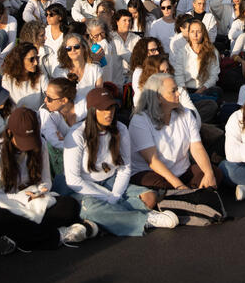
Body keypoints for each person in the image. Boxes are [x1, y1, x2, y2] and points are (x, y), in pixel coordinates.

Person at [63, 87, 179, 235]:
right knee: (91, 208)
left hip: (110, 181)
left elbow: (125, 169)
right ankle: (145, 219)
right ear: (92, 110)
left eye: (111, 107)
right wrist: (106, 196)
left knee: (149, 197)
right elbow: (73, 180)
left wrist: (115, 196)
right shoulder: (76, 135)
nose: (109, 112)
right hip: (84, 187)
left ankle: (105, 221)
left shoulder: (121, 129)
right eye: (104, 109)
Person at [0, 106, 91, 254]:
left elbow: (46, 181)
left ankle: (18, 238)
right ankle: (57, 236)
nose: (27, 147)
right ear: (10, 133)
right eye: (23, 141)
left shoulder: (40, 144)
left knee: (69, 206)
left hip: (34, 202)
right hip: (4, 204)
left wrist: (39, 191)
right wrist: (16, 198)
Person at [129, 73, 220, 190]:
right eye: (173, 91)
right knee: (157, 185)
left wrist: (209, 174)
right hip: (153, 173)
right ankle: (190, 195)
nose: (178, 94)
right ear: (158, 97)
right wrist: (179, 185)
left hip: (181, 170)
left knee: (214, 173)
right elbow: (153, 161)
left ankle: (186, 197)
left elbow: (197, 147)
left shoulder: (186, 114)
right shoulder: (140, 120)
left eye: (177, 89)